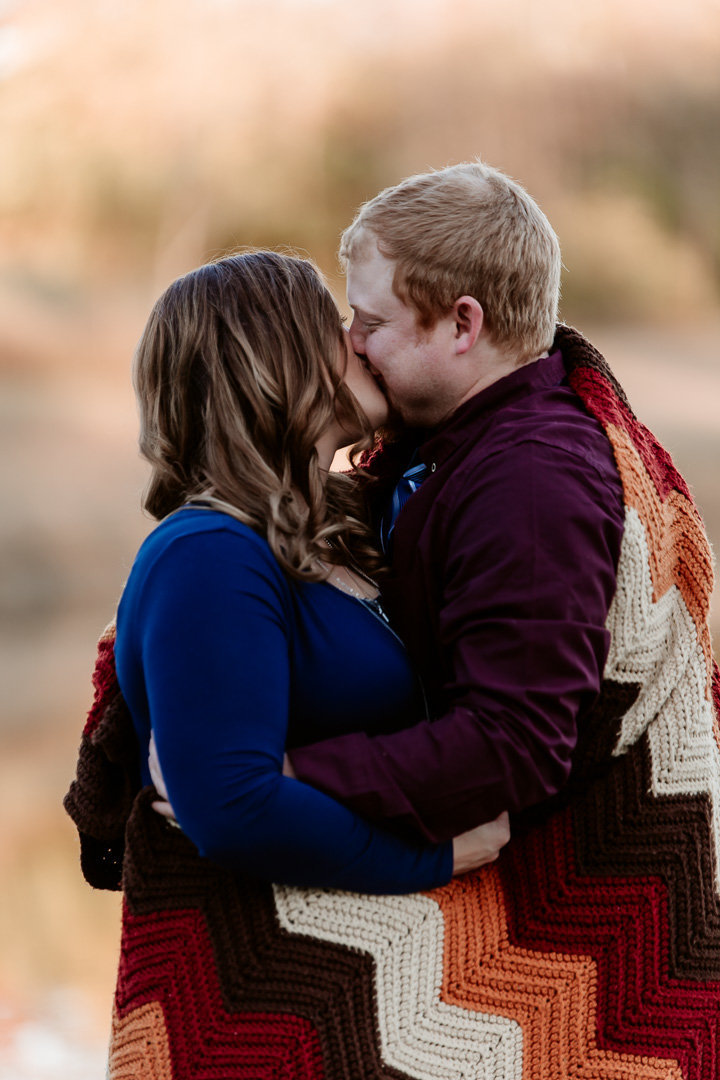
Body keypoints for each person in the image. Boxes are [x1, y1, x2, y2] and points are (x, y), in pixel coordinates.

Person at [275, 162, 720, 1076]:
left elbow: (513, 744)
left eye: (371, 323)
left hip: (582, 910)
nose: (351, 345)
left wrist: (279, 778)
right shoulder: (454, 449)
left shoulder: (529, 482)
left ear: (463, 323)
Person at [64, 250, 509, 1078]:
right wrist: (440, 857)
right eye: (334, 327)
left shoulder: (337, 535)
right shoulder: (209, 555)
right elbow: (232, 805)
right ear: (274, 362)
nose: (360, 340)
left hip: (383, 1001)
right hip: (274, 1020)